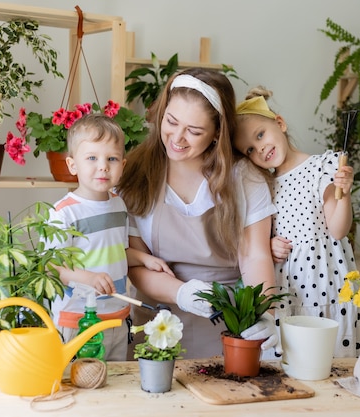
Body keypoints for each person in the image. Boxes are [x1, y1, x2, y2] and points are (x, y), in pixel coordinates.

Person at [116, 68, 279, 359]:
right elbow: (136, 264)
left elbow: (255, 256)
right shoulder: (137, 177)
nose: (177, 138)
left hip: (229, 325)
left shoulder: (243, 178)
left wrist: (262, 312)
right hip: (159, 322)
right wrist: (181, 293)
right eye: (171, 121)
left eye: (194, 131)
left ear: (218, 133)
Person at [233, 86, 360, 358]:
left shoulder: (321, 167)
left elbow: (338, 228)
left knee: (327, 353)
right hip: (289, 285)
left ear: (280, 123)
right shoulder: (264, 185)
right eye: (250, 149)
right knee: (294, 355)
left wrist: (344, 194)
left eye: (261, 135)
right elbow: (265, 234)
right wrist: (271, 244)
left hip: (326, 280)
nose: (260, 148)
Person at [46, 113, 173, 361]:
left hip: (117, 316)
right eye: (92, 158)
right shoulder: (64, 213)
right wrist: (88, 278)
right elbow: (52, 267)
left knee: (114, 384)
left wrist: (143, 259)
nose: (103, 166)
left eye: (112, 159)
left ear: (122, 166)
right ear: (73, 165)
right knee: (79, 382)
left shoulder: (118, 205)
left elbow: (116, 250)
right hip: (78, 319)